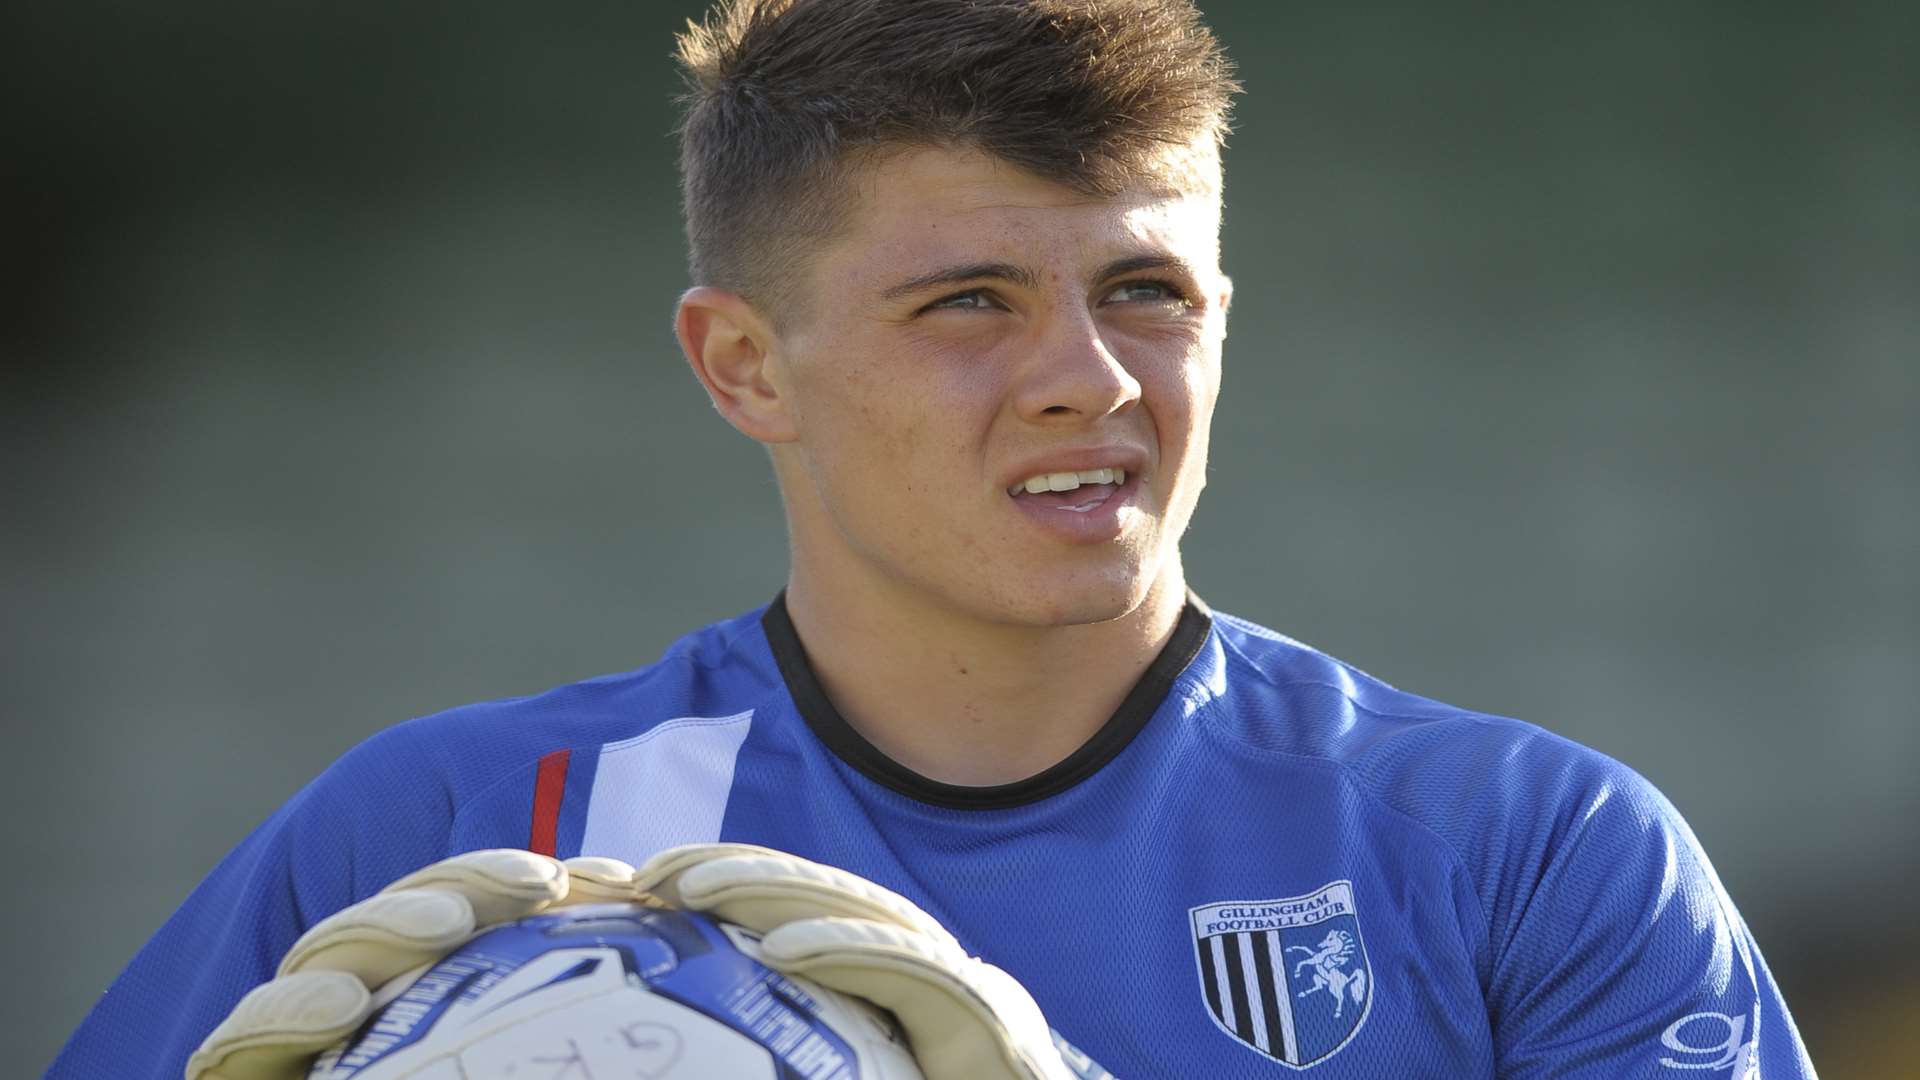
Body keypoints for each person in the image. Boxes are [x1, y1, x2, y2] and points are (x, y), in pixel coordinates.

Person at [53, 1, 1815, 1077]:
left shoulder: (1530, 856)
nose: (1091, 378)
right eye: (969, 301)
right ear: (745, 365)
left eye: (1149, 292)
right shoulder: (446, 845)